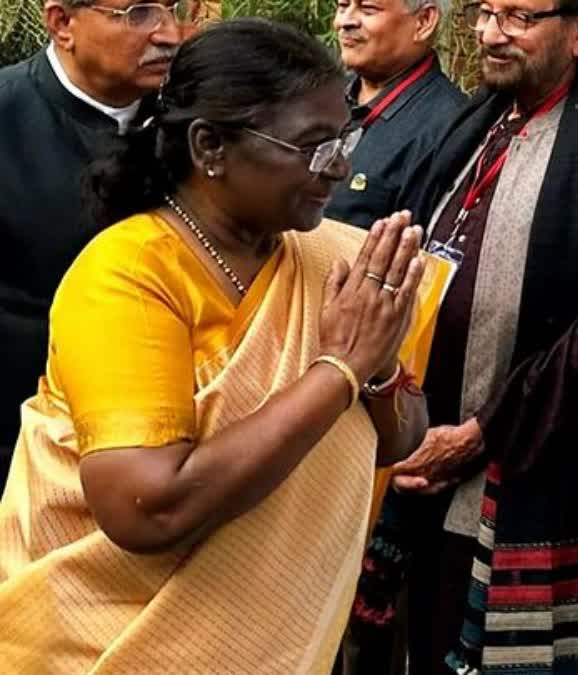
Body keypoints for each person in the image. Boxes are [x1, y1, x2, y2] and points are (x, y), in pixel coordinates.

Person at [0, 19, 431, 673]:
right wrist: (339, 368)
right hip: (103, 645)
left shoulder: (323, 258)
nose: (340, 165)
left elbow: (403, 439)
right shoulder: (127, 275)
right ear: (211, 147)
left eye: (347, 136)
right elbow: (147, 508)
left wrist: (375, 363)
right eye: (313, 146)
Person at [373, 0, 578, 672]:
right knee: (419, 633)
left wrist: (483, 430)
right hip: (427, 435)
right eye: (484, 12)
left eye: (517, 16)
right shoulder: (480, 120)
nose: (488, 33)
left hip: (528, 450)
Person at [0, 0, 190, 483]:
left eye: (174, 8)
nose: (168, 33)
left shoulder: (194, 119)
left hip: (165, 449)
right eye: (139, 13)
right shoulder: (7, 113)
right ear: (62, 23)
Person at [326, 0, 466, 229]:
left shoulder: (451, 128)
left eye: (368, 9)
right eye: (342, 6)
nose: (344, 21)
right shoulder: (319, 97)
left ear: (423, 22)